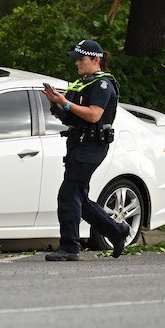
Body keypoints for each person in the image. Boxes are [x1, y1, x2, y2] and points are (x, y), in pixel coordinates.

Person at [41, 39, 131, 261]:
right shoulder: (84, 83)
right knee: (78, 196)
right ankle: (116, 231)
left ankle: (70, 247)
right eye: (76, 60)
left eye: (81, 59)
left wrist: (66, 102)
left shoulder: (102, 85)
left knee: (68, 194)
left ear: (95, 60)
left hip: (92, 146)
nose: (77, 64)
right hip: (78, 144)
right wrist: (56, 104)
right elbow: (70, 119)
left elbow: (93, 115)